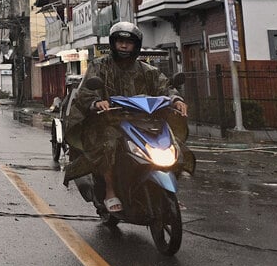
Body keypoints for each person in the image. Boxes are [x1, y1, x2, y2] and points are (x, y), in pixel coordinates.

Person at [62, 21, 192, 214]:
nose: (124, 46)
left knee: (173, 146)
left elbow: (165, 87)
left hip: (143, 122)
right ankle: (110, 190)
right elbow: (86, 91)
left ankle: (167, 191)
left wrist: (176, 99)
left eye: (128, 43)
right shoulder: (99, 66)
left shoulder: (147, 71)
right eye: (120, 42)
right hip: (109, 122)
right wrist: (97, 102)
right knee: (109, 144)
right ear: (113, 44)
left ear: (136, 46)